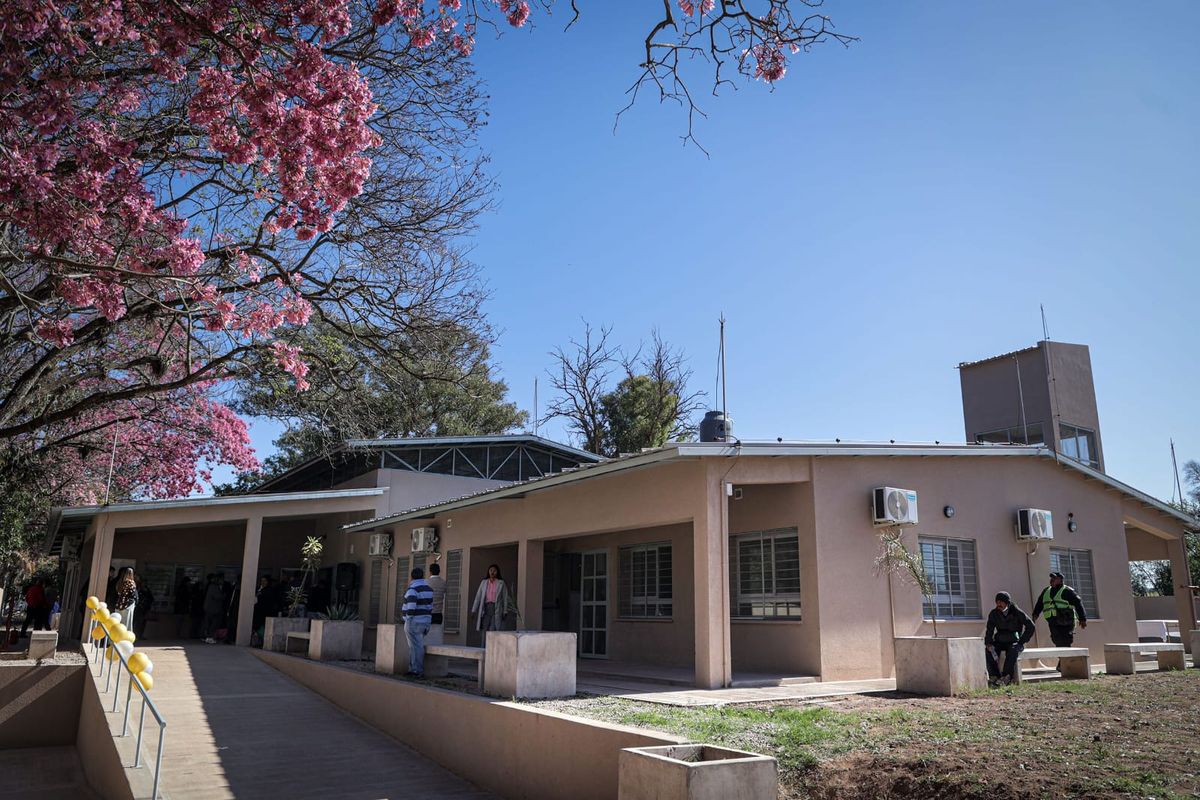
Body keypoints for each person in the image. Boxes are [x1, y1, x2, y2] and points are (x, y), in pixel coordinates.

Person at [984, 591, 1035, 687]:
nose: (999, 604)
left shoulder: (1016, 612)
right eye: (997, 602)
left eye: (1001, 602)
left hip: (1014, 641)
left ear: (1007, 602)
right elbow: (989, 630)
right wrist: (988, 643)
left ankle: (1006, 677)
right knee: (989, 651)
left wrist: (1022, 641)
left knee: (1012, 651)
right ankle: (994, 676)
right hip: (1000, 641)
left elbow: (1031, 626)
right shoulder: (994, 613)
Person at [1031, 570, 1088, 647]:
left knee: (1065, 641)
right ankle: (1061, 654)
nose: (1052, 580)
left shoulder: (1067, 591)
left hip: (1066, 621)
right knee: (1056, 640)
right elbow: (1040, 603)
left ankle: (1067, 654)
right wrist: (1035, 614)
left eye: (1054, 578)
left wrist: (1082, 618)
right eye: (1051, 578)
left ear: (1060, 580)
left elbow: (1078, 603)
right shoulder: (1046, 591)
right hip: (1053, 621)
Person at [402, 567, 434, 677]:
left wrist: (407, 619)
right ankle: (415, 669)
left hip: (414, 622)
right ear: (422, 576)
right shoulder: (429, 589)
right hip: (426, 622)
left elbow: (411, 607)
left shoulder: (412, 589)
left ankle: (416, 670)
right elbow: (430, 607)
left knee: (415, 647)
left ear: (411, 577)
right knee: (418, 645)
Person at [470, 564, 509, 637]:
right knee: (484, 630)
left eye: (494, 570)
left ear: (497, 572)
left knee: (492, 629)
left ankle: (490, 644)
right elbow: (478, 597)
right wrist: (474, 610)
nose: (492, 572)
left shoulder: (501, 583)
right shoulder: (484, 582)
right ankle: (483, 644)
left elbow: (505, 598)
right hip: (486, 609)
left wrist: (505, 611)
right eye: (491, 570)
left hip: (496, 609)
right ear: (488, 572)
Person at [426, 562, 447, 645]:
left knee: (427, 638)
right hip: (438, 613)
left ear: (430, 571)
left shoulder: (426, 582)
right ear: (439, 571)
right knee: (437, 637)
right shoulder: (443, 583)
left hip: (428, 613)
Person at [112, 567, 139, 632]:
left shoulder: (119, 582)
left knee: (118, 622)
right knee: (126, 623)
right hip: (128, 605)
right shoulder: (131, 583)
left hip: (119, 604)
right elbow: (134, 594)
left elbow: (117, 592)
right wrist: (136, 601)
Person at [203, 573, 226, 644]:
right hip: (213, 609)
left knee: (209, 623)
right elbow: (217, 596)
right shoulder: (214, 587)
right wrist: (224, 596)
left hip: (209, 608)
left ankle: (208, 637)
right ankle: (210, 637)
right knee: (213, 624)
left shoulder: (210, 586)